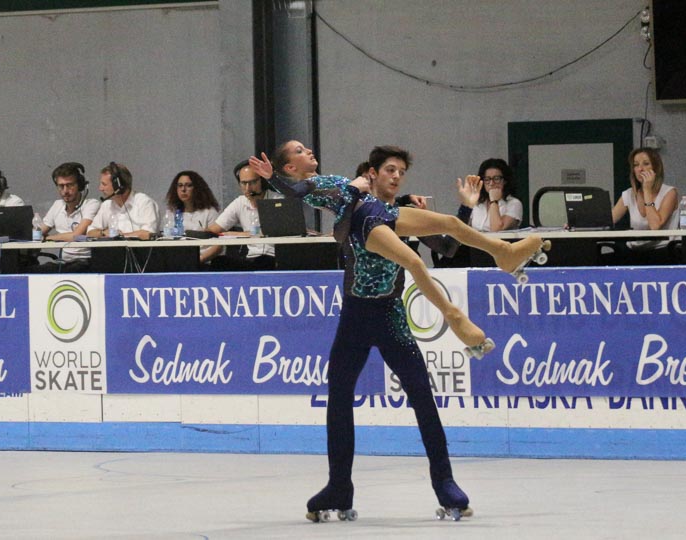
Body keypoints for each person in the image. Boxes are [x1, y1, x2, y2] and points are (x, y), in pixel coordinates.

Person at [250, 144, 545, 520]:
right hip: (356, 314)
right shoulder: (329, 187)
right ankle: (339, 486)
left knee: (422, 395)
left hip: (390, 313)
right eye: (390, 170)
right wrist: (273, 178)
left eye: (401, 172)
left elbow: (448, 245)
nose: (397, 176)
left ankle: (446, 485)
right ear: (373, 173)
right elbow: (297, 191)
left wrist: (465, 206)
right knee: (339, 398)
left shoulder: (386, 206)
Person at [201, 160, 278, 269]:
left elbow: (270, 232)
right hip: (252, 258)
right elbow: (215, 228)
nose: (248, 188)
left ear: (263, 181)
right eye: (244, 183)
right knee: (219, 262)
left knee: (263, 261)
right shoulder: (240, 202)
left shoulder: (277, 200)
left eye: (253, 182)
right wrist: (201, 232)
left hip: (275, 258)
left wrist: (237, 234)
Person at [32, 162, 100, 272]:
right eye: (61, 186)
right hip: (64, 262)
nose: (65, 191)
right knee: (32, 271)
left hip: (87, 261)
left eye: (70, 185)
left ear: (80, 185)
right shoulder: (57, 205)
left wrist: (49, 238)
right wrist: (36, 233)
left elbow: (76, 236)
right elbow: (37, 233)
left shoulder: (92, 204)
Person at [611, 147, 679, 250]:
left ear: (656, 168)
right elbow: (608, 220)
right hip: (636, 250)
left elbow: (655, 226)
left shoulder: (670, 193)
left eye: (646, 164)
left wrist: (647, 191)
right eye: (636, 165)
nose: (640, 169)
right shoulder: (629, 194)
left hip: (663, 250)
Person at [86, 162, 160, 239]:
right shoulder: (107, 205)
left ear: (119, 186)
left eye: (104, 184)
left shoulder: (144, 202)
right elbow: (90, 232)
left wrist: (120, 236)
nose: (100, 188)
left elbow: (148, 233)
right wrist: (103, 233)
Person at [455, 158, 523, 232]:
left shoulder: (514, 203)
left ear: (505, 181)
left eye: (496, 178)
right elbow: (462, 228)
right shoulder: (478, 202)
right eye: (487, 179)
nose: (491, 183)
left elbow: (496, 229)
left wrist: (494, 201)